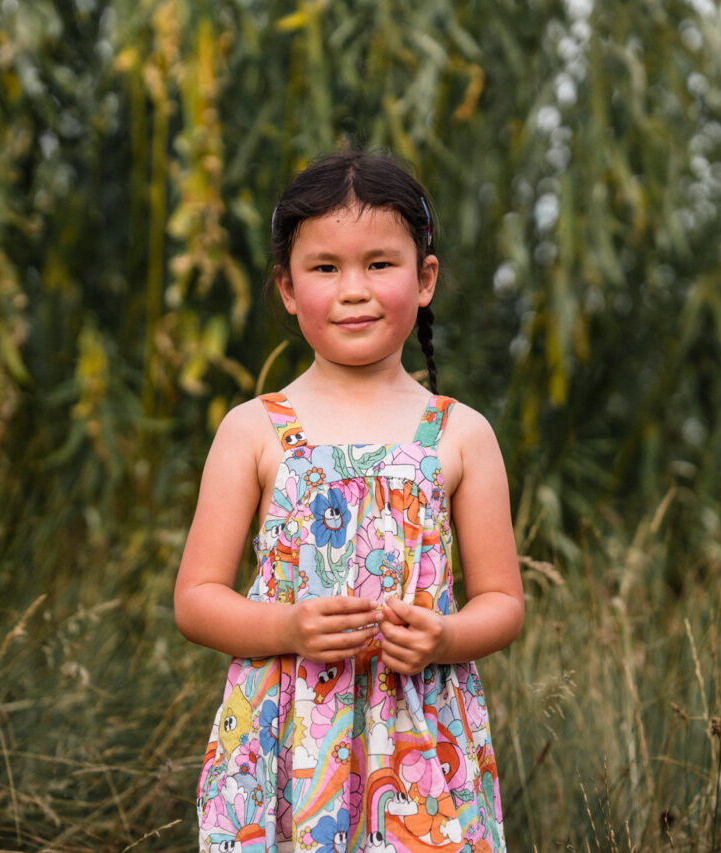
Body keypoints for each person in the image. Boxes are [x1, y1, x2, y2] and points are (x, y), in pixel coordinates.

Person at [174, 151, 524, 852]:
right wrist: (289, 628)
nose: (353, 290)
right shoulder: (254, 429)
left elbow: (503, 602)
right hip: (285, 734)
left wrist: (445, 638)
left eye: (380, 264)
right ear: (286, 286)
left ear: (425, 280)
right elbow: (196, 598)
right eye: (326, 268)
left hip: (422, 740)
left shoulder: (460, 434)